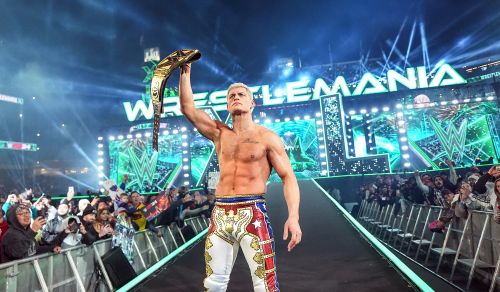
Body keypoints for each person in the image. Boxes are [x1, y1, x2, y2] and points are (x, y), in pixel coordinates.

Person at [179, 63, 301, 292]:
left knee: (265, 286)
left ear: (252, 103)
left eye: (241, 94)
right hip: (221, 214)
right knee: (213, 285)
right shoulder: (219, 133)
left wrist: (293, 216)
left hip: (252, 212)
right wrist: (185, 72)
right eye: (231, 95)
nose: (236, 97)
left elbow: (289, 177)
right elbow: (188, 109)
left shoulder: (268, 138)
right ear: (227, 104)